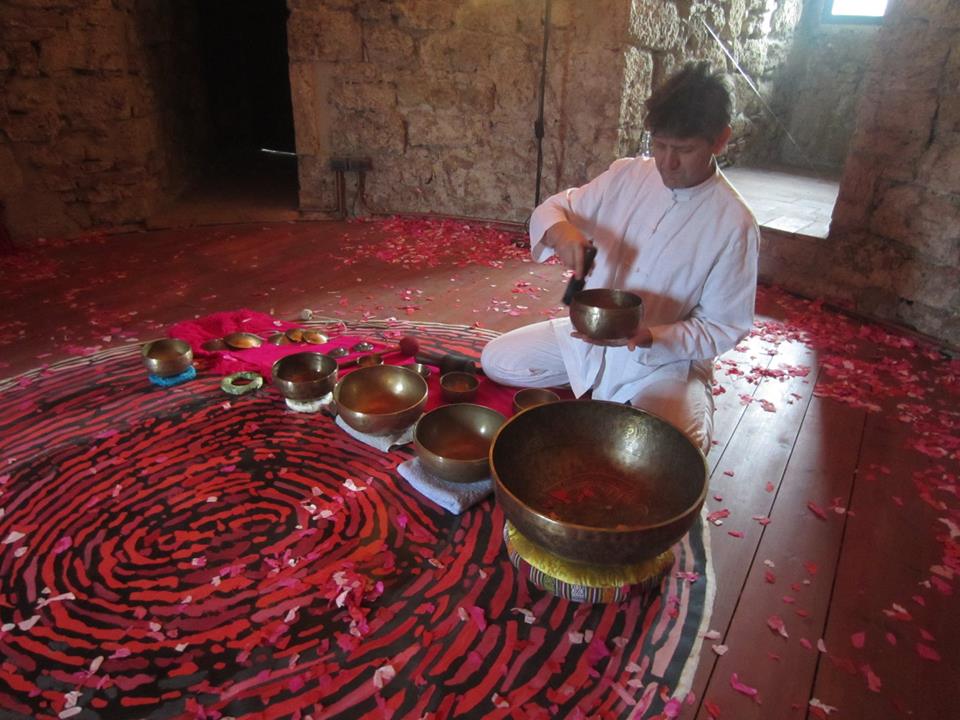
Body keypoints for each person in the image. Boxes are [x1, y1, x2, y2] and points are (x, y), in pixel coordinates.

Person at [481, 62, 759, 454]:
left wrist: (654, 336)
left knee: (673, 448)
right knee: (498, 360)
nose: (667, 162)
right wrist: (564, 235)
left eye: (684, 150)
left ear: (720, 140)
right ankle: (599, 390)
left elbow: (722, 326)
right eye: (659, 145)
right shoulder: (629, 175)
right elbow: (555, 209)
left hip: (661, 360)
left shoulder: (735, 224)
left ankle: (686, 397)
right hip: (589, 338)